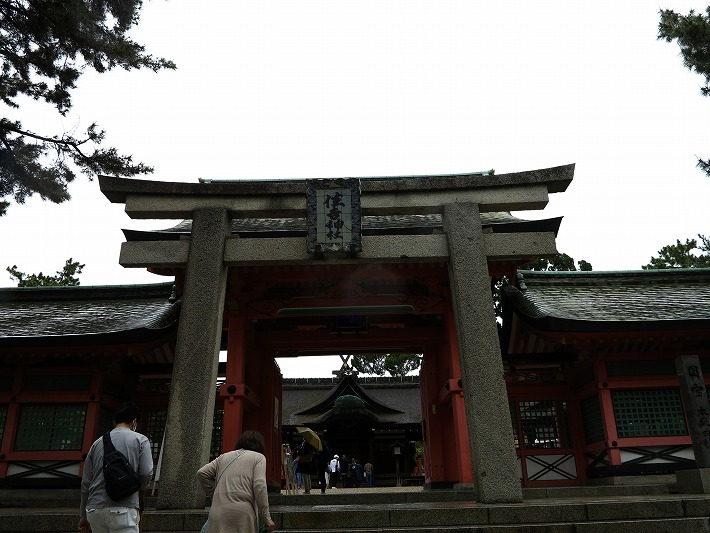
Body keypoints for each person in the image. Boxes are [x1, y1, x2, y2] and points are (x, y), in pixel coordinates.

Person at [78, 401, 153, 533]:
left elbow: (86, 483)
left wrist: (83, 515)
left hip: (94, 509)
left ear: (115, 421)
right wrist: (139, 489)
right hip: (124, 508)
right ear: (134, 422)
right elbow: (146, 473)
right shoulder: (140, 440)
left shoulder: (97, 443)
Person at [196, 430, 275, 533]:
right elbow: (259, 485)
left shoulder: (223, 457)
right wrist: (266, 517)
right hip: (242, 514)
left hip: (218, 512)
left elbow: (201, 473)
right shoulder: (258, 457)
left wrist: (214, 494)